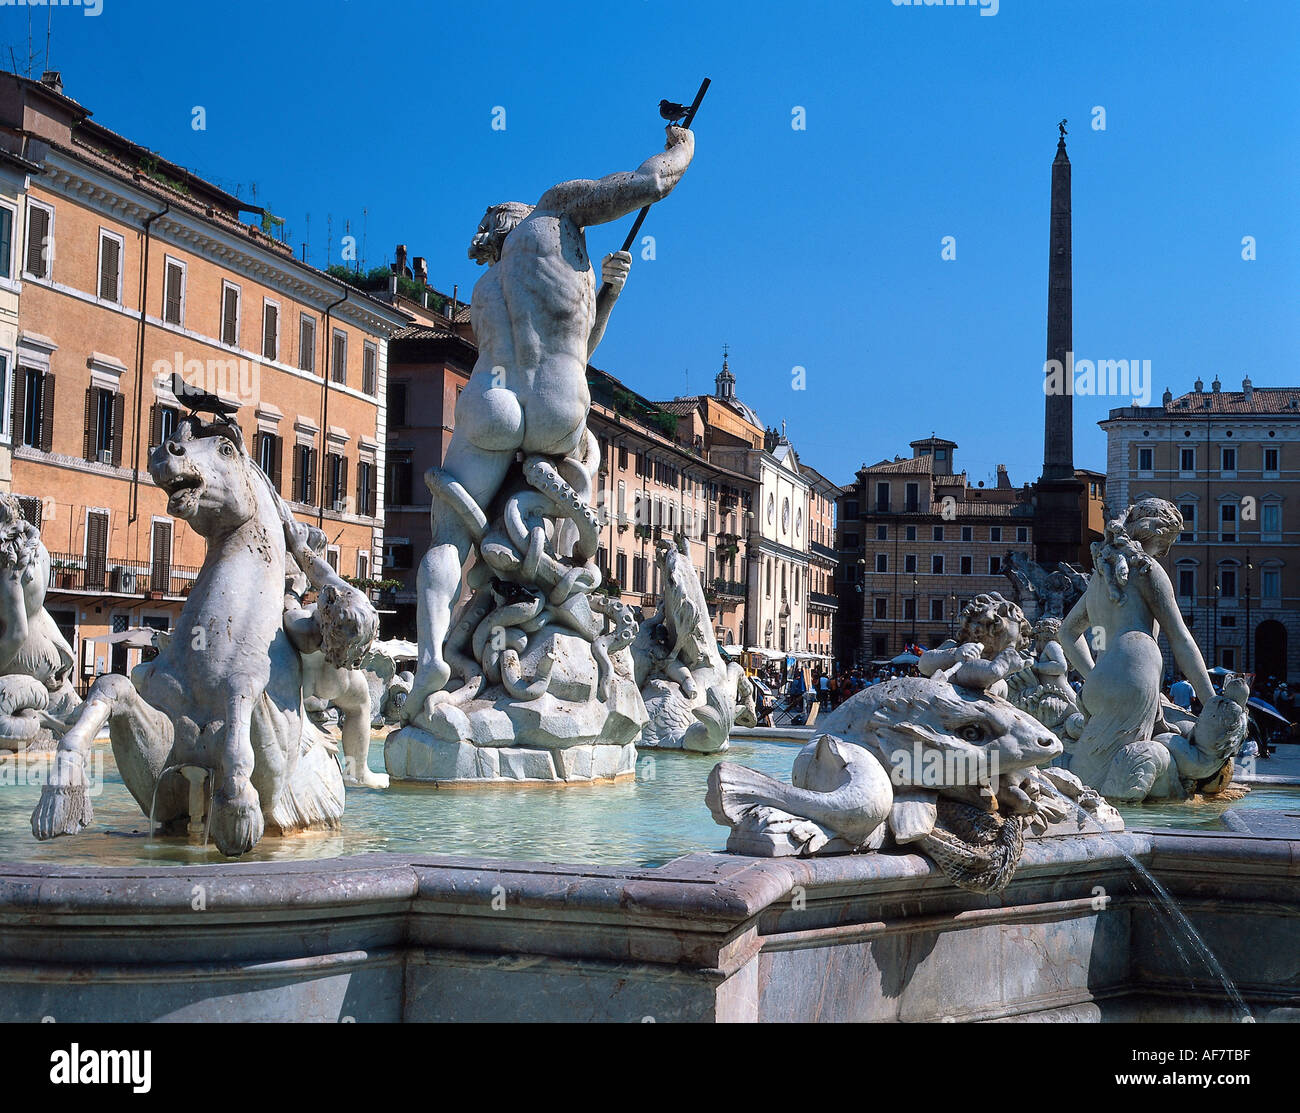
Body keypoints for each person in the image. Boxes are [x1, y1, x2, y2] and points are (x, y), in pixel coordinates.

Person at [404, 124, 695, 718]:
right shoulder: (557, 208)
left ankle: (433, 655)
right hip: (559, 402)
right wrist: (681, 144)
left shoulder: (485, 289)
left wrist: (605, 292)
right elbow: (650, 183)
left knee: (450, 538)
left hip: (492, 397)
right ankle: (559, 614)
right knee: (571, 479)